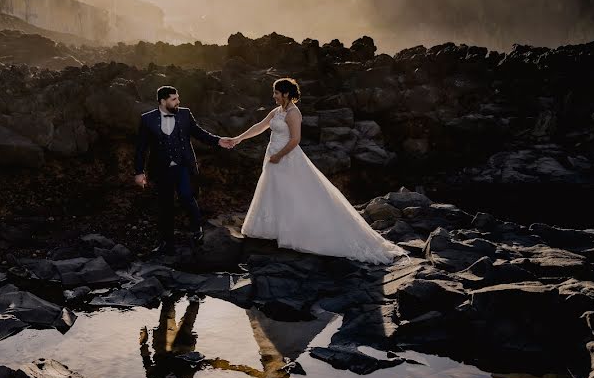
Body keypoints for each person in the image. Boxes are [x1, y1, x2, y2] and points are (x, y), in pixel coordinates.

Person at [226, 78, 406, 264]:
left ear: (286, 94)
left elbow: (295, 139)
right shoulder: (277, 111)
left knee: (293, 194)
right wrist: (238, 138)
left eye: (276, 93)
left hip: (286, 158)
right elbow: (260, 127)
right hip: (272, 156)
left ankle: (297, 232)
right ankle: (273, 229)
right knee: (275, 192)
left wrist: (279, 156)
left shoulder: (294, 113)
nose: (274, 96)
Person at [134, 85, 234, 254]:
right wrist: (139, 172)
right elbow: (141, 149)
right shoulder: (147, 119)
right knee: (165, 206)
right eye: (174, 99)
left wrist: (218, 141)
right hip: (161, 169)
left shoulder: (185, 114)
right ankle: (167, 243)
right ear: (163, 101)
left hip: (183, 166)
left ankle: (197, 230)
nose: (178, 101)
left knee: (187, 197)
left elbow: (199, 133)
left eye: (178, 98)